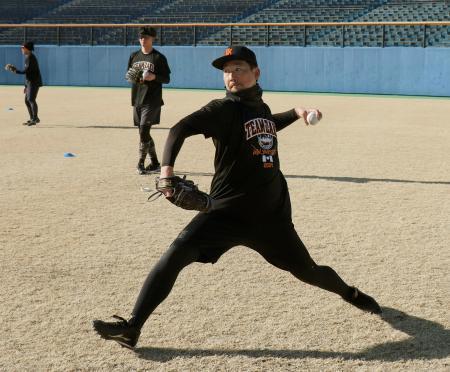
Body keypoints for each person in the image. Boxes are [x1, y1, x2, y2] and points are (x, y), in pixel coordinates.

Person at [93, 46, 382, 349]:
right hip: (223, 213)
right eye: (227, 71)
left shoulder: (260, 108)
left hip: (270, 218)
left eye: (239, 68)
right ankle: (132, 327)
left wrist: (298, 113)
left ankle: (350, 294)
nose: (231, 75)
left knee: (308, 271)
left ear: (255, 73)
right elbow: (180, 129)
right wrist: (166, 174)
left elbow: (271, 121)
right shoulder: (223, 109)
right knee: (175, 255)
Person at [127, 26, 171, 175]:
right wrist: (136, 76)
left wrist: (154, 77)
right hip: (137, 99)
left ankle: (140, 163)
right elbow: (129, 77)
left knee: (144, 130)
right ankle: (155, 163)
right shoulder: (134, 56)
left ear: (153, 38)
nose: (142, 40)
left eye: (146, 37)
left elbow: (167, 79)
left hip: (152, 100)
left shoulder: (158, 58)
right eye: (141, 37)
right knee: (143, 133)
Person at [14, 41, 43, 126]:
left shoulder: (30, 57)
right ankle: (32, 118)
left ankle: (35, 118)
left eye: (23, 48)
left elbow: (26, 71)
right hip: (31, 82)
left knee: (31, 99)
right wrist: (26, 86)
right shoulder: (28, 57)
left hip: (34, 82)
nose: (21, 49)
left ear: (27, 49)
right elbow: (29, 73)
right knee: (27, 101)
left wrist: (15, 70)